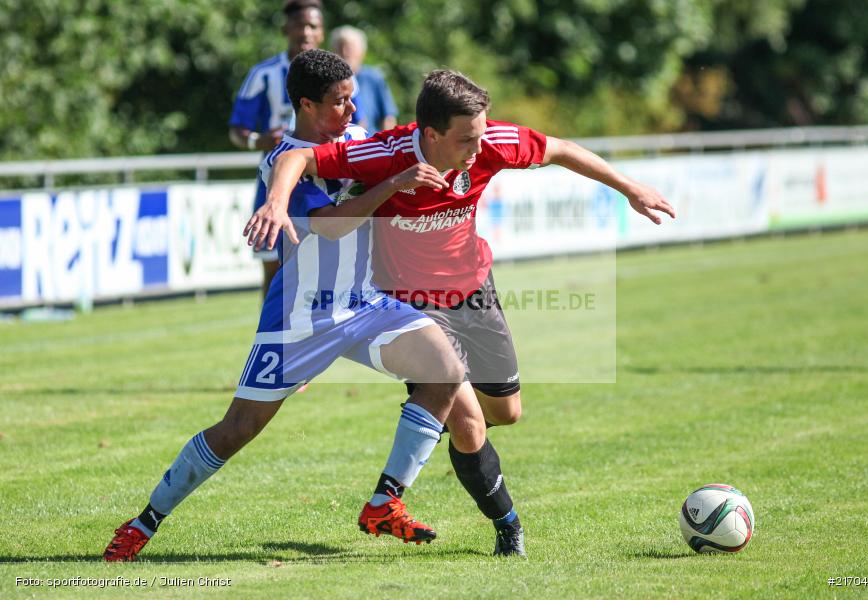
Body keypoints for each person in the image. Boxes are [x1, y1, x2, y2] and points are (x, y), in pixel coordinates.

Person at [251, 69, 676, 557]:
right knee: (469, 423)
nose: (479, 149)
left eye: (481, 135)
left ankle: (440, 420)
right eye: (466, 140)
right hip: (410, 305)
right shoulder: (387, 153)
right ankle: (505, 526)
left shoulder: (491, 140)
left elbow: (560, 149)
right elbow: (300, 156)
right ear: (430, 133)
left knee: (505, 414)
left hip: (475, 291)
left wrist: (630, 188)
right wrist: (277, 204)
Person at [103, 50, 467, 562]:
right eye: (340, 102)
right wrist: (392, 184)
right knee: (237, 430)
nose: (353, 109)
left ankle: (385, 502)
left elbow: (413, 146)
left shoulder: (360, 141)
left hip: (363, 303)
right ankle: (143, 523)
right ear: (306, 105)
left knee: (445, 372)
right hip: (301, 319)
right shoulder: (281, 159)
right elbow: (331, 224)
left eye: (353, 96)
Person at [228, 0, 326, 299]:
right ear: (286, 29)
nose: (306, 32)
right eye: (300, 25)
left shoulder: (335, 73)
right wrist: (258, 141)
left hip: (323, 179)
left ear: (321, 32)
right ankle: (272, 340)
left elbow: (354, 121)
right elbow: (236, 131)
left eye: (313, 26)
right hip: (274, 179)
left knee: (329, 265)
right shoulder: (265, 74)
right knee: (273, 268)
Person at [330, 25, 399, 131]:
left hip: (369, 142)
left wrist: (386, 144)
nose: (344, 52)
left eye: (349, 48)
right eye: (339, 47)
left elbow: (388, 117)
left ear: (362, 52)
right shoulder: (327, 80)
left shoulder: (373, 77)